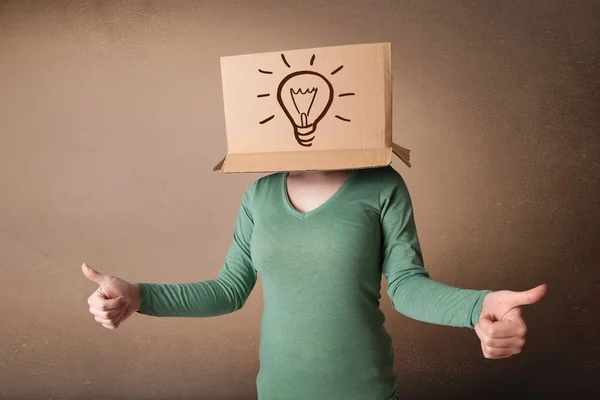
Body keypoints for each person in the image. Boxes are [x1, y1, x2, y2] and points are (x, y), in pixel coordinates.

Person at [83, 166, 547, 400]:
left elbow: (406, 285)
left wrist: (477, 306)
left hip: (362, 389)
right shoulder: (260, 194)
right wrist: (140, 296)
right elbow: (228, 289)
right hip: (279, 390)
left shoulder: (382, 185)